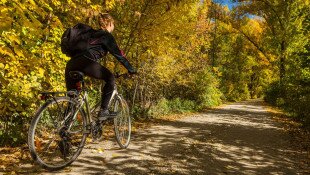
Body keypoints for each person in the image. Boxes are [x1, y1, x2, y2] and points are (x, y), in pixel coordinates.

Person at [65, 13, 136, 120]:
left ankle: (64, 128)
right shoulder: (106, 35)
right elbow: (119, 55)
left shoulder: (90, 33)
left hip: (71, 64)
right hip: (85, 62)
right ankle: (104, 110)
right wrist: (131, 70)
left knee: (73, 99)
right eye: (113, 24)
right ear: (110, 24)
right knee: (110, 78)